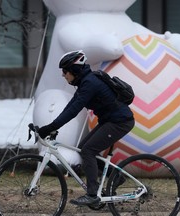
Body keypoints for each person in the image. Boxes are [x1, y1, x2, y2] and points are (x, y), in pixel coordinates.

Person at [37, 50, 134, 206]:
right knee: (84, 149)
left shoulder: (90, 83)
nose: (63, 75)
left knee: (88, 150)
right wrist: (51, 126)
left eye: (65, 71)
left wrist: (50, 127)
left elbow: (73, 110)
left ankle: (92, 194)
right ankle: (116, 177)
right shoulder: (85, 82)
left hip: (120, 122)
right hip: (110, 120)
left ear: (74, 70)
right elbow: (70, 107)